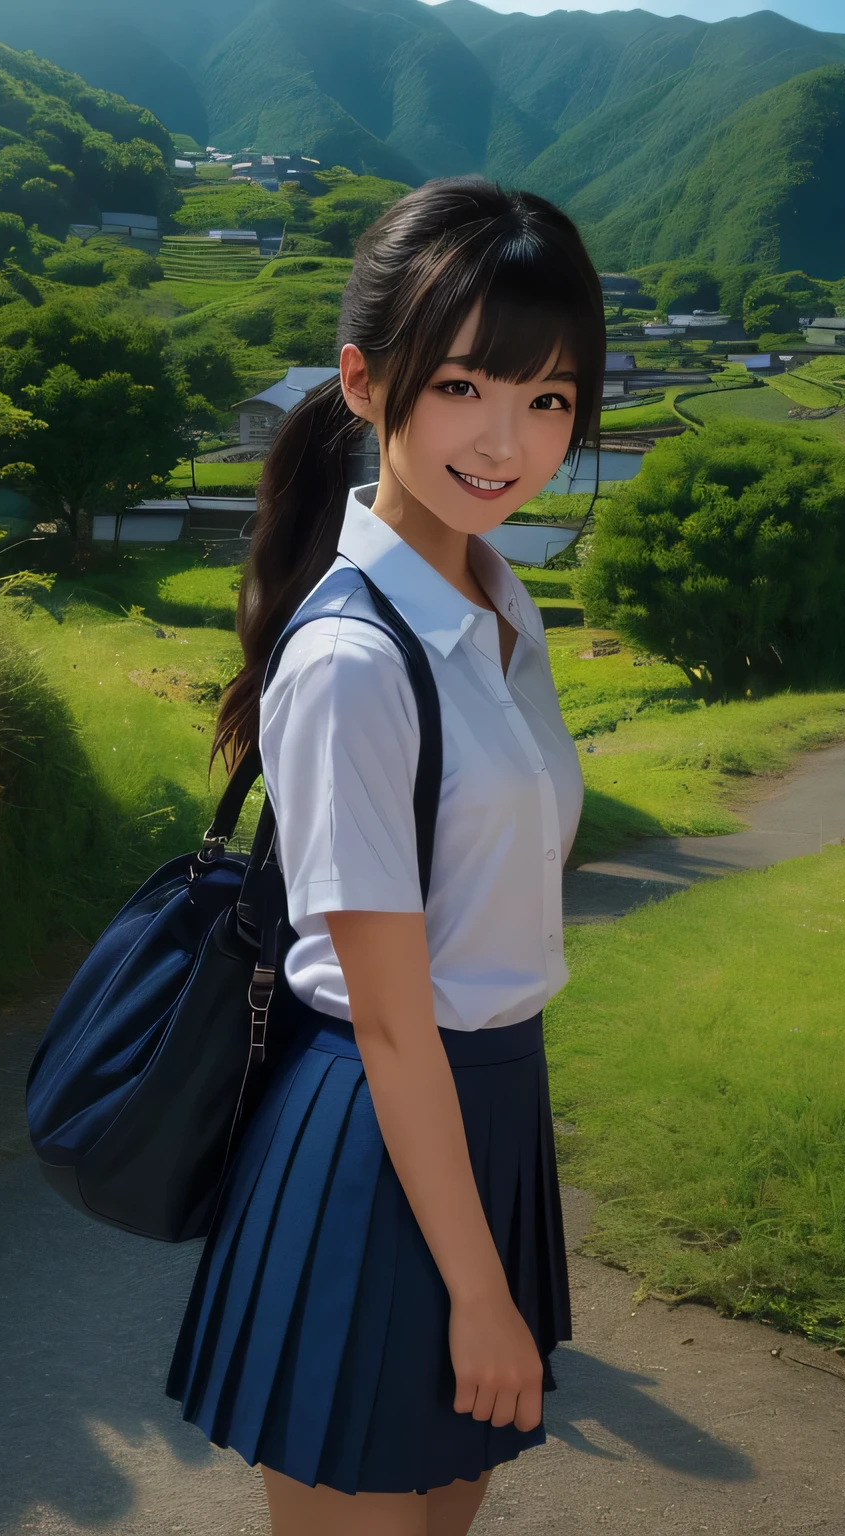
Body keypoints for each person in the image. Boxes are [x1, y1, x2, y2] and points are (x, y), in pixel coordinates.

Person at [166, 175, 607, 1535]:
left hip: (486, 1119)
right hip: (375, 1131)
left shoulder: (496, 601)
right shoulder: (359, 657)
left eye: (548, 398)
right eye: (468, 383)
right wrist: (477, 1287)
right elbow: (395, 1027)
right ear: (365, 380)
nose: (509, 439)